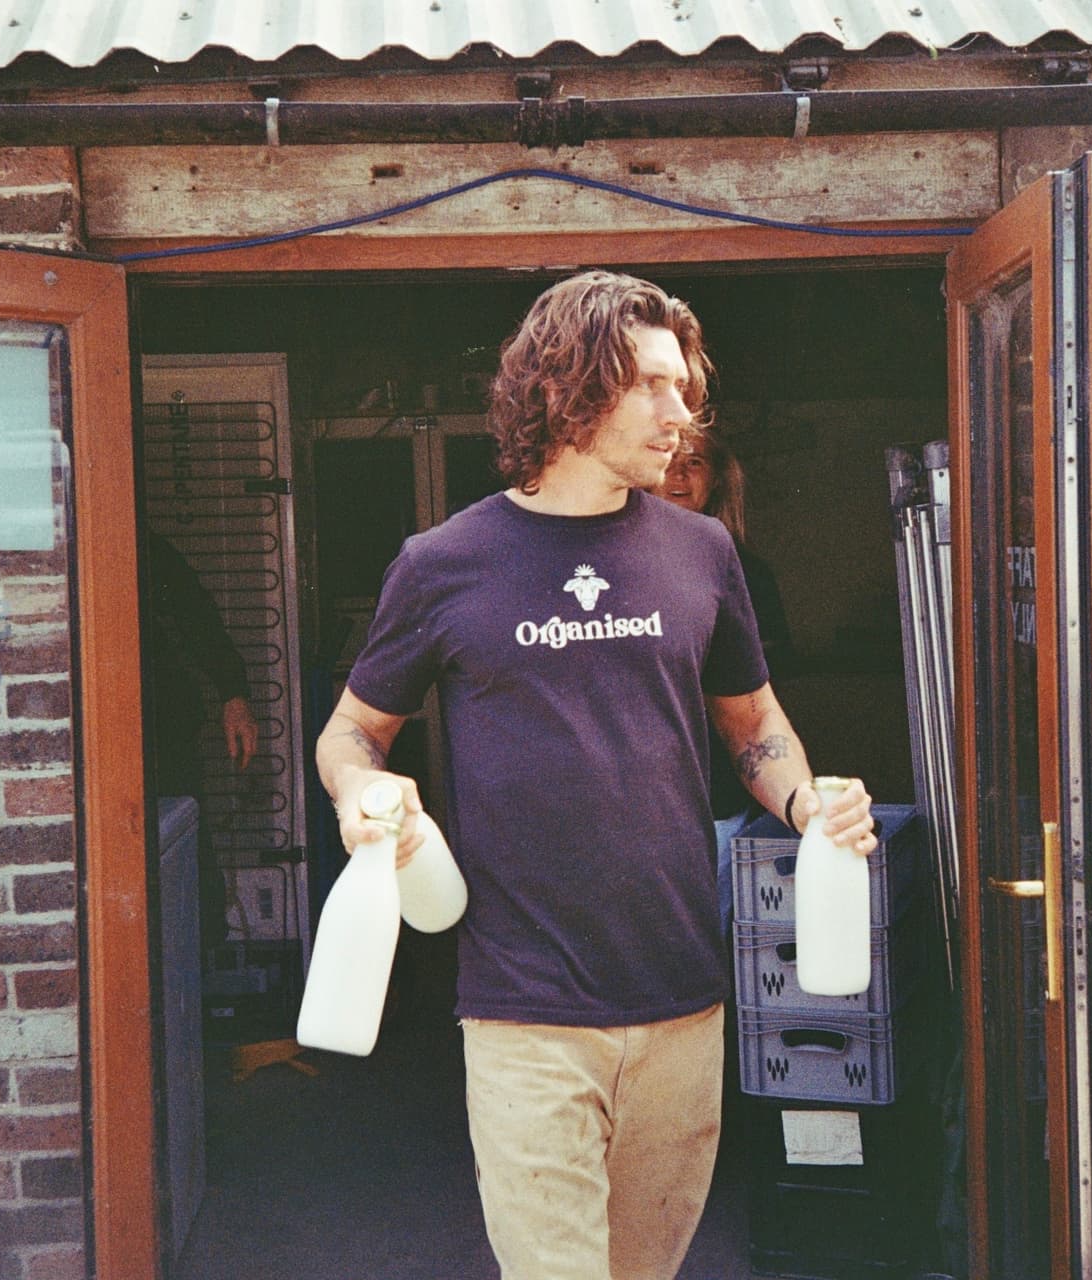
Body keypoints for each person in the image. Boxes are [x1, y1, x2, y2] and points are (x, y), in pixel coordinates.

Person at [313, 270, 877, 1280]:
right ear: (566, 389)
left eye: (684, 387)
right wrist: (363, 792)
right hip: (524, 1009)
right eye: (652, 385)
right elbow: (352, 731)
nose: (681, 413)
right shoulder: (444, 563)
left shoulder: (703, 552)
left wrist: (809, 802)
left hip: (682, 999)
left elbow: (752, 721)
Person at [652, 426, 796, 818]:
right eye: (670, 460)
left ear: (715, 478)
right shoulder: (619, 564)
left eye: (695, 462)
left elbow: (758, 699)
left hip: (721, 796)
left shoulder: (747, 572)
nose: (680, 474)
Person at [144, 528, 259, 949]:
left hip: (165, 725)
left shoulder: (143, 546)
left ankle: (205, 949)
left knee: (185, 841)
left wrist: (233, 694)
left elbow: (195, 615)